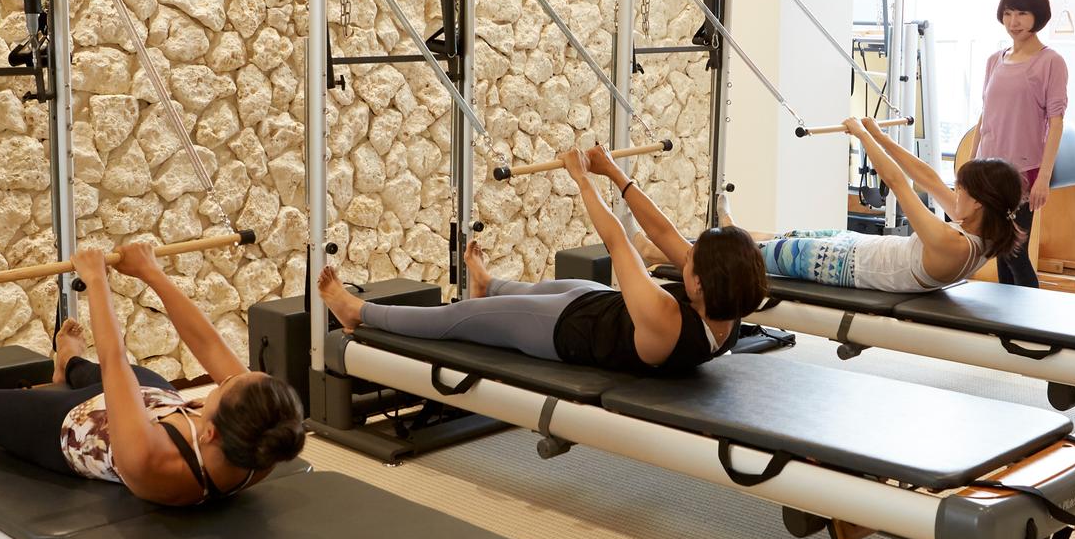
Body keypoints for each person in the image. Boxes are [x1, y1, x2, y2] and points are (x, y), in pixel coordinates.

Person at [0, 241, 305, 506]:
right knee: (128, 374)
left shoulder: (154, 464)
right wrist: (151, 272)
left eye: (224, 388)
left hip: (80, 429)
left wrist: (96, 280)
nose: (227, 377)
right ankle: (67, 364)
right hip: (156, 408)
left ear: (210, 430)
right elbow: (208, 345)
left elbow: (115, 364)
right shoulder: (267, 433)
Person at [317, 146, 768, 374]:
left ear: (699, 284)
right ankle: (489, 283)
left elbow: (618, 242)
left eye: (691, 262)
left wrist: (581, 178)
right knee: (542, 288)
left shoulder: (667, 319)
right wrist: (613, 172)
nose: (685, 257)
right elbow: (664, 233)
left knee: (459, 317)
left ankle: (358, 311)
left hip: (565, 331)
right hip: (600, 307)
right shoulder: (728, 307)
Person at [666, 119, 1024, 293]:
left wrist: (863, 136)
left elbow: (899, 183)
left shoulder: (952, 244)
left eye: (959, 189)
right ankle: (732, 228)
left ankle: (658, 247)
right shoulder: (987, 228)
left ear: (978, 202)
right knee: (783, 236)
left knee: (747, 258)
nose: (953, 193)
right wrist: (881, 136)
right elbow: (927, 177)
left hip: (840, 266)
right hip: (859, 247)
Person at [974, 0, 1069, 287]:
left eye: (1022, 14)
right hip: (989, 169)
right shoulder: (994, 60)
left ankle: (1032, 312)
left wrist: (1044, 177)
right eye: (1008, 13)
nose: (1013, 22)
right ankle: (1009, 312)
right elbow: (985, 116)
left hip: (1023, 172)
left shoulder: (1050, 62)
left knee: (1014, 251)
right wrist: (971, 165)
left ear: (1037, 16)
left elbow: (1056, 123)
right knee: (999, 249)